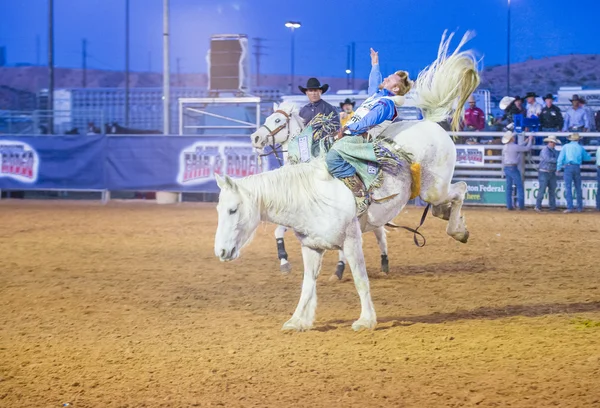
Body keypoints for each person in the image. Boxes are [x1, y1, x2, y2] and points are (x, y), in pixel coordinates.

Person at [326, 47, 413, 197]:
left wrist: (346, 130)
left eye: (389, 79)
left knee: (332, 156)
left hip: (360, 137)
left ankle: (357, 188)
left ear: (396, 88)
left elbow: (367, 121)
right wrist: (375, 64)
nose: (385, 79)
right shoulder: (378, 97)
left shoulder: (386, 104)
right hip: (352, 133)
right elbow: (374, 84)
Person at [557, 133, 592, 213]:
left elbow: (560, 158)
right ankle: (579, 207)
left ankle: (570, 207)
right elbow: (587, 158)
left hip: (568, 167)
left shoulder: (566, 147)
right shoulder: (580, 147)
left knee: (568, 187)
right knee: (578, 187)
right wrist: (589, 155)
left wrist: (558, 168)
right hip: (577, 167)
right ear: (578, 139)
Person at [502, 131, 533, 210]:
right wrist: (530, 140)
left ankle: (509, 206)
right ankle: (521, 206)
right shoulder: (514, 147)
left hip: (507, 167)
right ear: (512, 138)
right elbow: (527, 148)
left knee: (509, 187)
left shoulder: (505, 147)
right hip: (513, 167)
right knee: (519, 186)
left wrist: (525, 141)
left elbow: (518, 147)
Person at [535, 135, 561, 212]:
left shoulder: (554, 151)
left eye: (553, 142)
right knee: (542, 190)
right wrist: (559, 160)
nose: (552, 143)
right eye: (551, 142)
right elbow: (548, 159)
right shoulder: (545, 151)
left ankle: (552, 207)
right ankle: (538, 206)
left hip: (550, 172)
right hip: (544, 172)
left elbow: (550, 159)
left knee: (551, 190)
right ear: (548, 142)